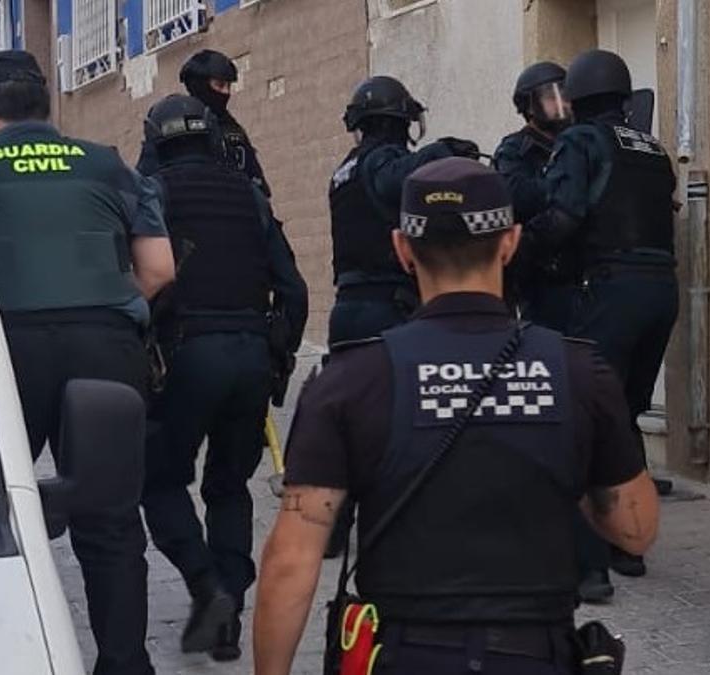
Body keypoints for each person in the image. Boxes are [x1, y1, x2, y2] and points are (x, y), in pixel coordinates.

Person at [252, 157, 658, 675]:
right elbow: (635, 532)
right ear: (509, 242)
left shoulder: (350, 381)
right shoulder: (579, 371)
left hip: (402, 655)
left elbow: (290, 563)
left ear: (402, 248)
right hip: (536, 654)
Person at [0, 50, 175, 675]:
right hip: (105, 348)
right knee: (110, 521)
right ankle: (125, 663)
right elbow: (159, 270)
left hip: (4, 356)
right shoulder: (108, 165)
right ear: (48, 108)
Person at [138, 94, 309, 662]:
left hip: (186, 356)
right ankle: (229, 614)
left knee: (159, 481)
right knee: (229, 487)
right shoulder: (249, 194)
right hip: (251, 356)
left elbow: (142, 282)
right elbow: (294, 291)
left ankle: (205, 584)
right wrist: (277, 359)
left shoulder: (153, 194)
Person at [531, 48, 678, 598]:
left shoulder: (580, 141)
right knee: (625, 414)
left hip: (611, 288)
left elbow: (565, 216)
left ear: (579, 97)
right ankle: (630, 547)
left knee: (586, 415)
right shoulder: (653, 148)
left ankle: (588, 562)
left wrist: (524, 247)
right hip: (661, 290)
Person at [324, 75, 479, 558]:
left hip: (346, 310)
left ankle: (333, 526)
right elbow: (398, 179)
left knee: (348, 423)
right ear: (399, 122)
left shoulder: (342, 171)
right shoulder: (381, 163)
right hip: (384, 310)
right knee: (402, 422)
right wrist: (445, 153)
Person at [493, 61, 572, 316]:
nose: (562, 104)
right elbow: (515, 195)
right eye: (551, 98)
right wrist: (563, 187)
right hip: (539, 273)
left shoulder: (578, 144)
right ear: (528, 105)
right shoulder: (515, 149)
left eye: (566, 95)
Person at [136, 49, 268, 194]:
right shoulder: (175, 121)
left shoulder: (232, 127)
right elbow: (146, 181)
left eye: (228, 86)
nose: (226, 92)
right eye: (219, 85)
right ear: (200, 84)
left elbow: (256, 181)